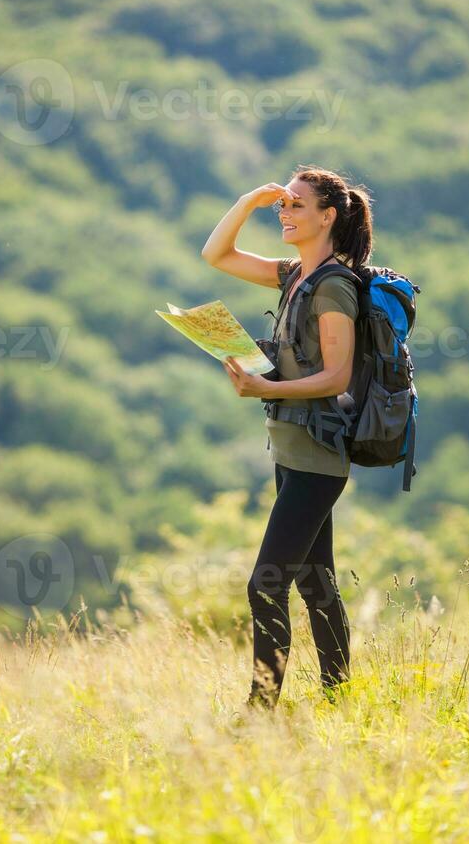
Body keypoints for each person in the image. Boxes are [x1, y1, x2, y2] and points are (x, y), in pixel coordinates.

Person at [201, 165, 374, 709]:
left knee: (265, 583)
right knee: (314, 581)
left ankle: (261, 708)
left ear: (328, 216)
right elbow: (217, 256)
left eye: (297, 205)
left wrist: (258, 388)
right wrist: (249, 200)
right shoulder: (293, 275)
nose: (285, 211)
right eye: (283, 203)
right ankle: (339, 697)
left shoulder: (334, 287)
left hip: (318, 456)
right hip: (291, 447)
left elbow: (337, 377)